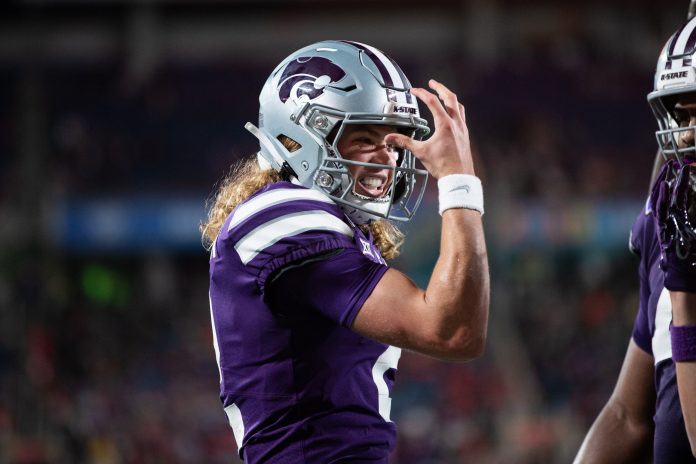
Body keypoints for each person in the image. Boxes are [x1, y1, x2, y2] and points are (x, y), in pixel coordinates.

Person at [200, 40, 489, 463]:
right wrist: (459, 182)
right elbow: (451, 330)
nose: (386, 159)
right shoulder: (281, 214)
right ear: (298, 136)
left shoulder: (337, 228)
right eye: (364, 138)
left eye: (393, 143)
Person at [574, 18, 696, 463]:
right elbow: (628, 414)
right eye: (682, 114)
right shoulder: (672, 230)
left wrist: (685, 298)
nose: (685, 136)